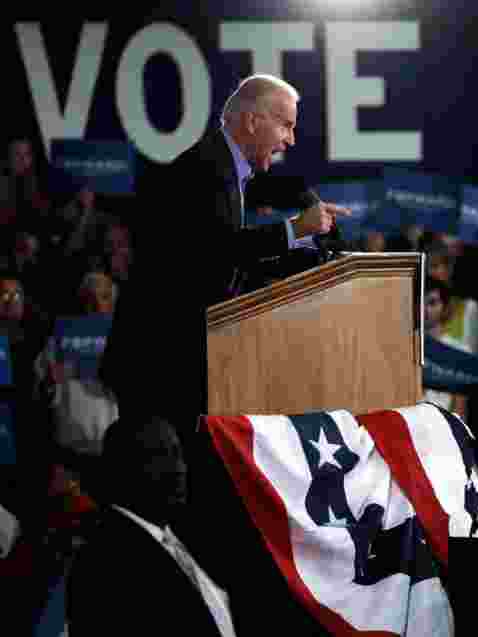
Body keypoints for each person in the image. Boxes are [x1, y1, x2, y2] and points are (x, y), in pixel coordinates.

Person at [100, 74, 346, 435]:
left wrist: (312, 242)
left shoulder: (229, 169)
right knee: (160, 479)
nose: (290, 140)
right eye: (286, 126)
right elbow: (221, 249)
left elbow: (233, 248)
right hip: (158, 360)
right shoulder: (203, 167)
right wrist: (295, 230)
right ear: (252, 121)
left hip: (179, 358)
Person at [67, 415, 236, 636]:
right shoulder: (104, 558)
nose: (179, 469)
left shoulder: (190, 541)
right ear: (122, 468)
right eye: (159, 456)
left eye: (178, 454)